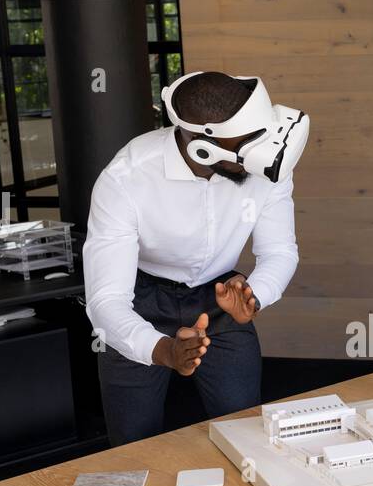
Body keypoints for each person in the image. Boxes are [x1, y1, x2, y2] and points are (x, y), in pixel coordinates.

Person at [84, 70, 306, 445]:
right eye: (247, 145)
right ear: (203, 147)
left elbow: (279, 251)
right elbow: (106, 301)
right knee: (132, 443)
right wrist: (163, 350)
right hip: (138, 302)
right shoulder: (125, 178)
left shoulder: (266, 162)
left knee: (245, 432)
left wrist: (253, 297)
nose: (262, 153)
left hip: (222, 298)